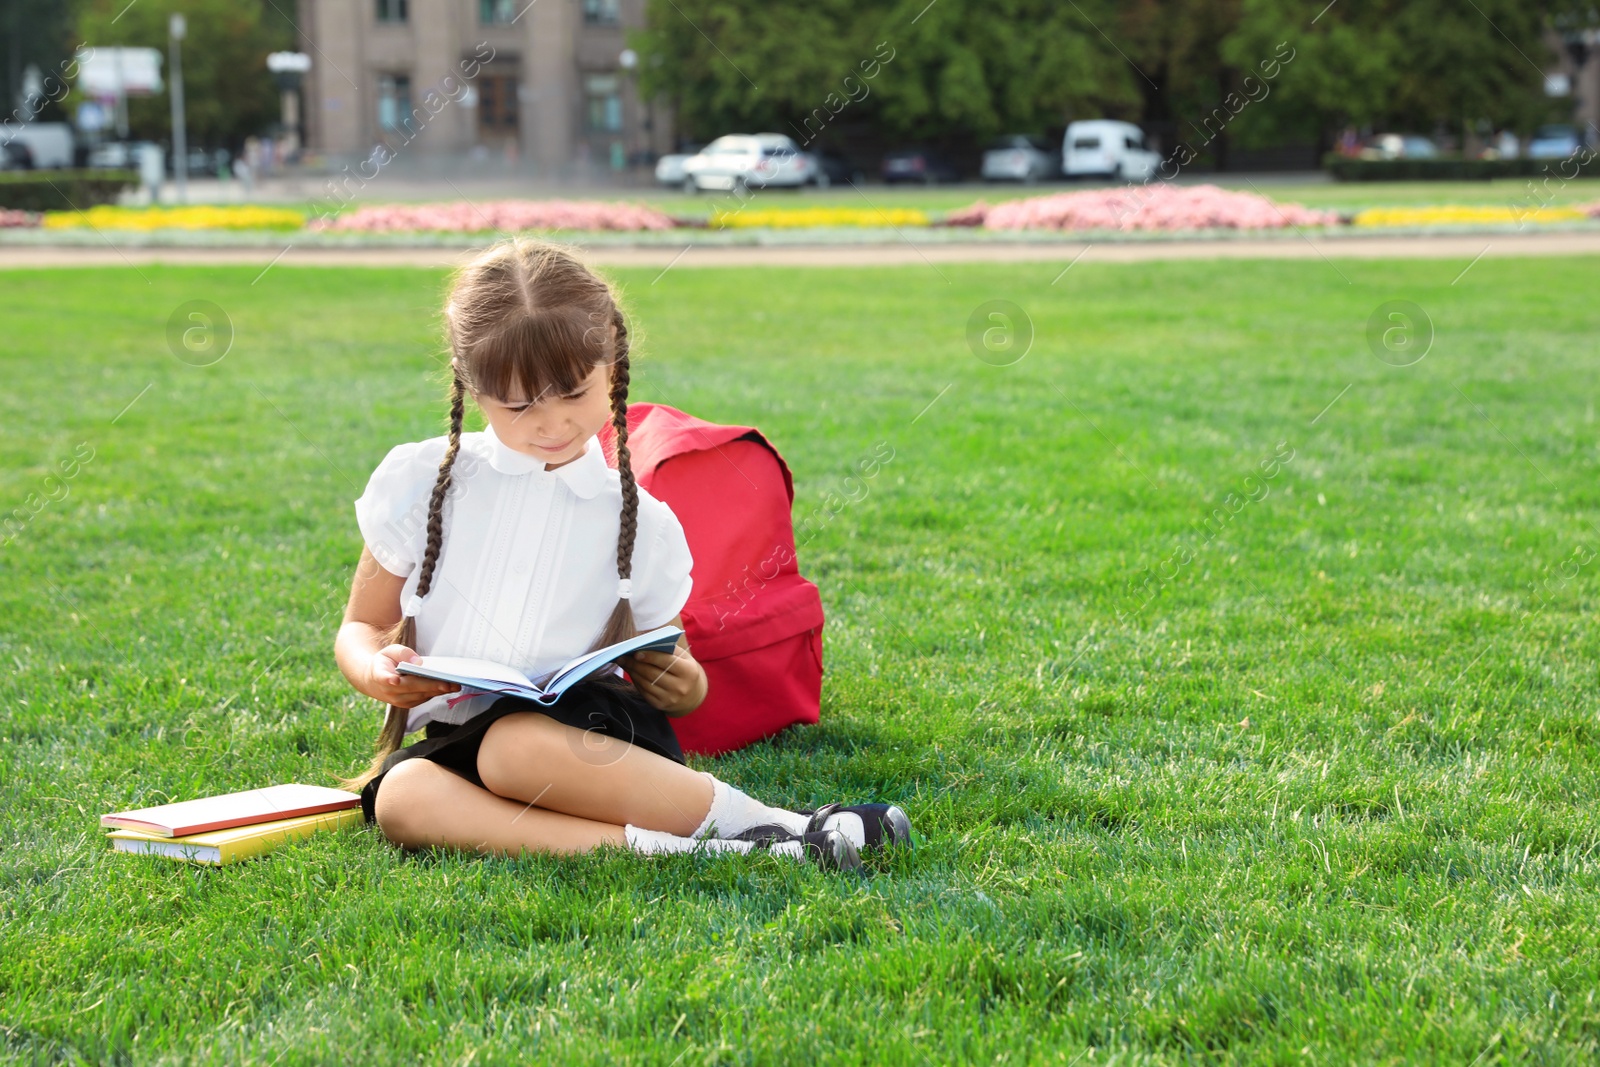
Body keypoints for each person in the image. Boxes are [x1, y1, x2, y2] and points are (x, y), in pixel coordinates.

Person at [335, 238, 912, 870]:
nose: (551, 425)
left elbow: (676, 674)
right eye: (520, 405)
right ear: (473, 388)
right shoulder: (420, 480)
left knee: (516, 748)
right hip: (460, 737)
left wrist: (682, 684)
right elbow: (361, 626)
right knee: (400, 798)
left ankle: (786, 827)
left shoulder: (638, 518)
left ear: (612, 367)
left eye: (575, 395)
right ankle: (711, 855)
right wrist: (379, 671)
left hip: (595, 736)